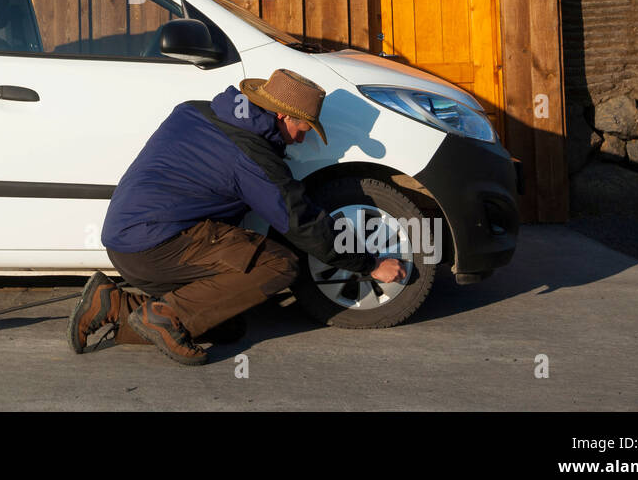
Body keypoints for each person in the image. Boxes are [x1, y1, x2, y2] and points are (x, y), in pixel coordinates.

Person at [68, 68, 406, 365]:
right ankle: (166, 316)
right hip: (158, 246)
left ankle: (113, 303)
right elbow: (298, 219)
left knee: (226, 324)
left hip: (127, 243)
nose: (303, 138)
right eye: (303, 127)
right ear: (282, 116)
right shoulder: (250, 156)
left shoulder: (196, 112)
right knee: (279, 265)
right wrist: (368, 263)